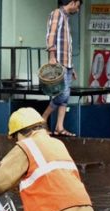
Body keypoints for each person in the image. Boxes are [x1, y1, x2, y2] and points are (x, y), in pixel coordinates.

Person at [42, 0, 82, 138]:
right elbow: (50, 36)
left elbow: (66, 45)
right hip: (59, 63)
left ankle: (59, 127)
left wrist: (72, 66)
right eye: (78, 6)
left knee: (65, 98)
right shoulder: (57, 14)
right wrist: (51, 56)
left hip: (67, 63)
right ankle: (43, 118)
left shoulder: (66, 17)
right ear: (73, 2)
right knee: (63, 94)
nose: (77, 10)